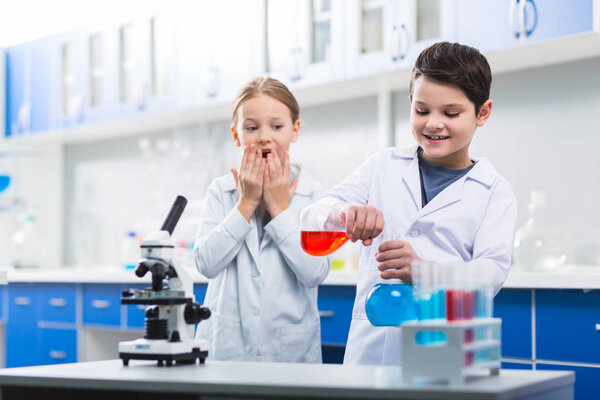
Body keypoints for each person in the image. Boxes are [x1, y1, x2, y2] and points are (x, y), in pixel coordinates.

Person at [314, 42, 517, 365]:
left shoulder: (493, 191)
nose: (433, 123)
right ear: (410, 103)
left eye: (451, 113)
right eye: (421, 110)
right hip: (371, 357)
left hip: (443, 356)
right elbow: (317, 212)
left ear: (483, 112)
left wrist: (423, 271)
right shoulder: (382, 166)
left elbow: (489, 276)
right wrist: (345, 212)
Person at [193, 77, 330, 363]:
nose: (264, 137)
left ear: (295, 130)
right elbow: (206, 264)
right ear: (236, 135)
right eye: (252, 127)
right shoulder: (222, 191)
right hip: (226, 353)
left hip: (290, 357)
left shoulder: (313, 193)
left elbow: (315, 271)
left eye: (277, 126)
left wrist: (280, 210)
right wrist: (246, 204)